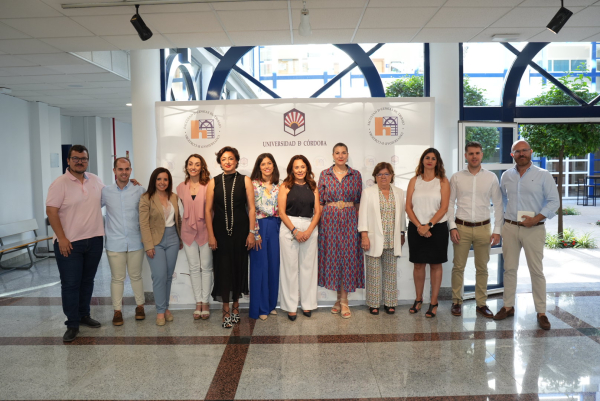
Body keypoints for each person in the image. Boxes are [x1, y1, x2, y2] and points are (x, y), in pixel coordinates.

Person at [493, 140, 560, 330]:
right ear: (511, 154)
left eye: (524, 150)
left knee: (536, 271)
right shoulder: (506, 176)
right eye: (517, 151)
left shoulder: (543, 175)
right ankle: (508, 307)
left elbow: (554, 202)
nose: (521, 154)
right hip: (511, 228)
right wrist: (506, 221)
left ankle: (541, 312)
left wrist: (536, 218)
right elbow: (503, 200)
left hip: (534, 229)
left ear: (531, 152)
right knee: (510, 269)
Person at [46, 144, 105, 342]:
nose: (80, 162)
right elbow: (51, 211)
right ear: (68, 160)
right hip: (70, 243)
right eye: (76, 158)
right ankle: (72, 324)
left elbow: (110, 197)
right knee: (71, 284)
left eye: (84, 158)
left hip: (95, 240)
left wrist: (130, 183)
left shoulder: (95, 180)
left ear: (88, 160)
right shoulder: (60, 183)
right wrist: (61, 238)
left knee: (87, 281)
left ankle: (83, 315)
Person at [447, 141, 503, 318]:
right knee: (458, 267)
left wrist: (497, 230)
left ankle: (481, 303)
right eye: (470, 153)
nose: (474, 156)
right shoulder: (456, 177)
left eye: (477, 153)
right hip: (461, 227)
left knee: (482, 268)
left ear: (482, 155)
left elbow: (499, 205)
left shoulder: (491, 177)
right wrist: (452, 227)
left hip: (483, 228)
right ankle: (457, 301)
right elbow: (449, 204)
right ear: (465, 156)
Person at [205, 146, 256, 328]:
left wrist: (251, 233)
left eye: (231, 158)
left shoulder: (245, 180)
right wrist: (211, 235)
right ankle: (225, 310)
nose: (227, 162)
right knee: (223, 270)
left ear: (236, 161)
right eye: (224, 159)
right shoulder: (213, 182)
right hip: (220, 233)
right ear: (220, 162)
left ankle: (236, 308)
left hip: (241, 232)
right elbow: (208, 210)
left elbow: (251, 209)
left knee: (238, 268)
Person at [317, 143, 363, 319]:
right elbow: (320, 202)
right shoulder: (325, 174)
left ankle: (344, 301)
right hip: (329, 219)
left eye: (344, 152)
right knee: (334, 258)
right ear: (333, 155)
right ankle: (338, 299)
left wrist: (360, 224)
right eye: (337, 153)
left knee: (348, 258)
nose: (341, 155)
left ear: (348, 155)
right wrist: (320, 225)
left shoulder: (356, 175)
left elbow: (359, 201)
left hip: (350, 219)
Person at [405, 148, 450, 318]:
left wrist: (429, 225)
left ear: (437, 162)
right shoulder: (414, 181)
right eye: (427, 157)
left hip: (437, 228)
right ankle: (418, 299)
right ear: (422, 160)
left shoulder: (443, 181)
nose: (430, 160)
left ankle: (433, 302)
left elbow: (444, 207)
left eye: (433, 158)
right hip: (416, 227)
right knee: (418, 264)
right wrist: (420, 226)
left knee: (435, 265)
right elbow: (408, 207)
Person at [101, 157, 146, 326]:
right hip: (114, 242)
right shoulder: (105, 192)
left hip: (136, 241)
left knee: (136, 276)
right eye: (120, 169)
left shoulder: (139, 190)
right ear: (114, 171)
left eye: (127, 169)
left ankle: (140, 306)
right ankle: (117, 311)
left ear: (130, 170)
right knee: (117, 278)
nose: (124, 172)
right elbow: (91, 209)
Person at [358, 162, 406, 315]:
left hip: (393, 239)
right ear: (375, 177)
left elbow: (402, 216)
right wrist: (364, 236)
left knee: (391, 272)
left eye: (386, 174)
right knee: (373, 273)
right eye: (379, 174)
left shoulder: (399, 192)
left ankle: (390, 302)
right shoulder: (368, 192)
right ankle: (373, 303)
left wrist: (402, 233)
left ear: (391, 176)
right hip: (373, 239)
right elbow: (363, 216)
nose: (383, 177)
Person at [278, 155, 321, 321]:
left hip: (310, 226)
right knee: (289, 269)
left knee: (308, 268)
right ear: (291, 169)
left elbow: (317, 211)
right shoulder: (285, 186)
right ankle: (290, 307)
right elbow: (281, 212)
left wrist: (309, 230)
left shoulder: (313, 186)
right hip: (290, 226)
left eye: (303, 167)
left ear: (307, 168)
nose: (300, 170)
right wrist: (295, 231)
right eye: (296, 167)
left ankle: (308, 304)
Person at [139, 167, 183, 326]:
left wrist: (180, 239)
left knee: (168, 276)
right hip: (155, 241)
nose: (162, 182)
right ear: (154, 180)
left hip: (173, 238)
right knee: (159, 276)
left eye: (165, 179)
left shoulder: (174, 197)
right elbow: (143, 223)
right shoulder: (146, 198)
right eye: (159, 179)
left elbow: (178, 218)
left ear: (169, 182)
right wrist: (148, 245)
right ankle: (159, 311)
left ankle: (166, 309)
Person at [176, 154, 213, 320]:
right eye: (190, 164)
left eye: (197, 164)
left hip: (206, 231)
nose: (193, 167)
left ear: (202, 167)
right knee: (193, 268)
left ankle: (205, 302)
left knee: (206, 268)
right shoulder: (180, 187)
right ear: (186, 167)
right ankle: (198, 301)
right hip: (188, 232)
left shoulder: (210, 185)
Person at [249, 153, 281, 321]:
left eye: (269, 163)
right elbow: (250, 208)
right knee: (259, 267)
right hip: (259, 226)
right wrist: (254, 232)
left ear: (273, 166)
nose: (267, 166)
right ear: (258, 167)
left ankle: (270, 305)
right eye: (263, 164)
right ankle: (260, 307)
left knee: (273, 266)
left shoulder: (279, 186)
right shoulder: (252, 184)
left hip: (276, 226)